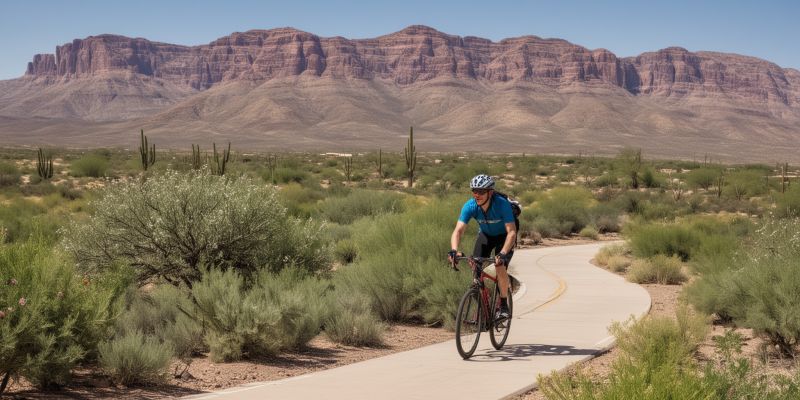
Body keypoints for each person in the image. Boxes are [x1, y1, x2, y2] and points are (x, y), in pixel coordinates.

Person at [448, 174, 516, 319]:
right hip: (485, 236)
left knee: (499, 266)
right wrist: (454, 250)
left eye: (481, 191)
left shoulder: (501, 204)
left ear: (490, 192)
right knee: (476, 268)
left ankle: (503, 305)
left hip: (504, 238)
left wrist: (502, 254)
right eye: (474, 191)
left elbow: (512, 232)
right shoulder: (470, 206)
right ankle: (483, 310)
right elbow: (458, 230)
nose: (477, 195)